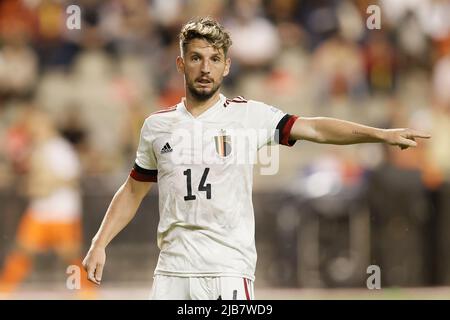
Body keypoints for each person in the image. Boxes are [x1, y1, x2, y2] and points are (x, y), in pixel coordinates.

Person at [82, 17, 431, 300]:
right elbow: (132, 191)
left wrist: (380, 134)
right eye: (196, 58)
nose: (206, 68)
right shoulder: (157, 126)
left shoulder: (249, 116)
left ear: (227, 66)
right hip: (171, 272)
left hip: (228, 272)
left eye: (215, 59)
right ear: (180, 63)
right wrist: (99, 244)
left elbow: (316, 129)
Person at [0, 108, 94, 298]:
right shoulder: (37, 148)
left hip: (62, 210)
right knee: (23, 249)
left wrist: (45, 184)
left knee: (69, 254)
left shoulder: (59, 148)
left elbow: (71, 178)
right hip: (41, 209)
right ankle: (5, 289)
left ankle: (85, 291)